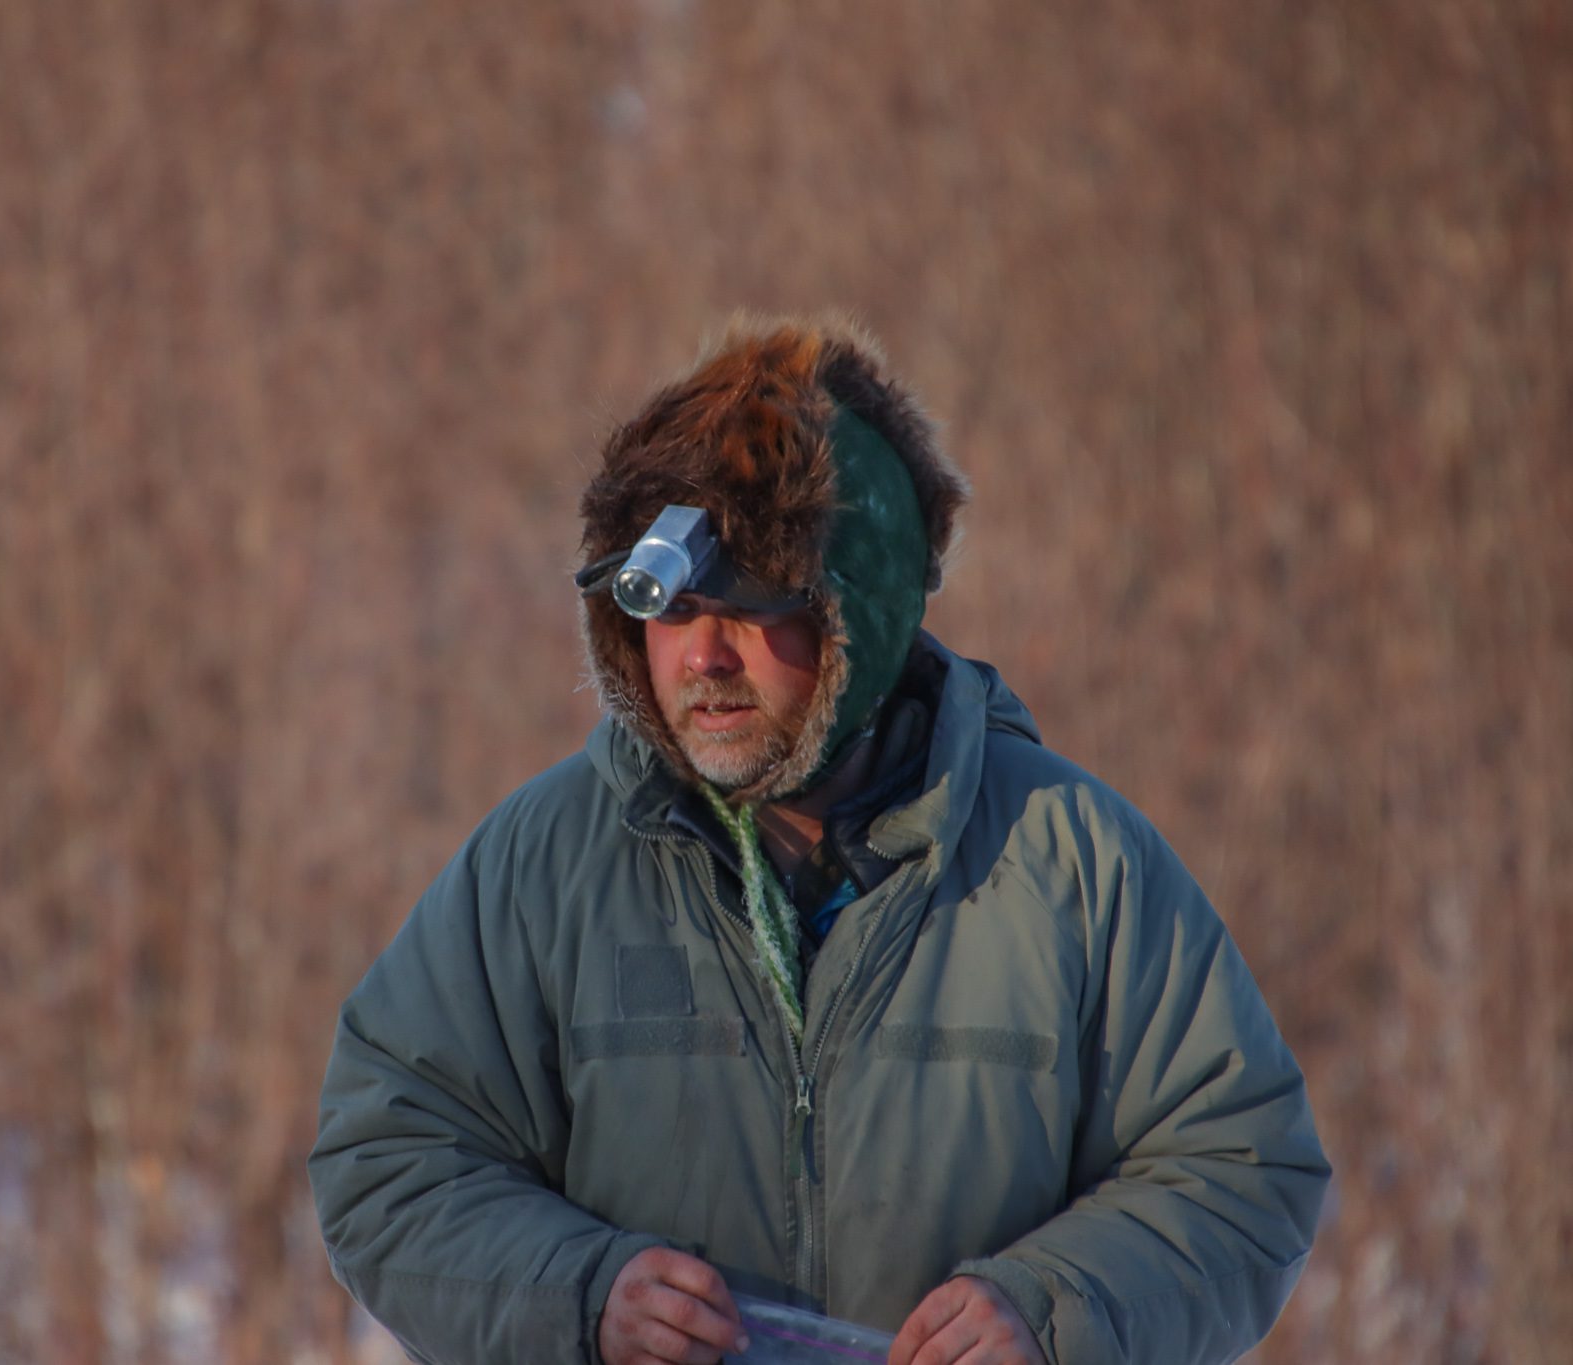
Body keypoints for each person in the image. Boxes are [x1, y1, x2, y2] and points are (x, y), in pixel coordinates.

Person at [309, 316, 1330, 1365]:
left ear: (860, 617)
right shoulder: (545, 861)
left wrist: (1051, 1311)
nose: (701, 655)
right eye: (669, 607)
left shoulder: (1069, 861)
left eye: (751, 609)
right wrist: (577, 1294)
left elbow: (1241, 1169)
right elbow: (389, 1155)